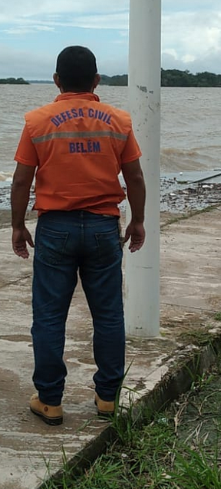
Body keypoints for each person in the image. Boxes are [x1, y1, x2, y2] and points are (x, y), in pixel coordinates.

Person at [10, 46, 146, 426]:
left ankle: (50, 401)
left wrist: (18, 225)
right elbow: (134, 176)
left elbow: (22, 179)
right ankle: (106, 399)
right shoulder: (118, 120)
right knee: (108, 316)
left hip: (56, 229)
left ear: (56, 81)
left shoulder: (38, 121)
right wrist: (138, 220)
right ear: (97, 81)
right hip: (103, 228)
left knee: (49, 317)